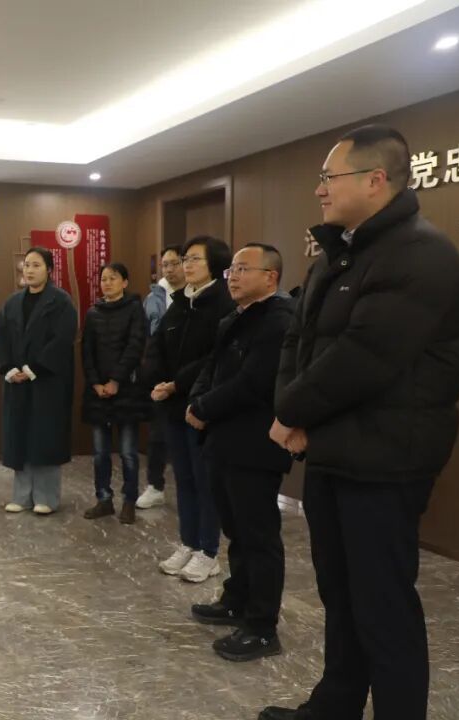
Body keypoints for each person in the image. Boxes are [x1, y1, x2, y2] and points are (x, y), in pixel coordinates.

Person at [262, 125, 459, 720]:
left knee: (382, 604)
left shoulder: (422, 254)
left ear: (376, 180)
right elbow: (298, 342)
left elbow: (366, 357)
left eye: (330, 177)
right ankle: (336, 704)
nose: (320, 189)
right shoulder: (338, 254)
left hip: (386, 459)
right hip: (332, 448)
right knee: (340, 594)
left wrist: (293, 413)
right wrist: (289, 410)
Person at [185, 244, 293, 662]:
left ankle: (262, 627)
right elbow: (211, 369)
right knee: (236, 529)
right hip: (223, 441)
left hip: (255, 445)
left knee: (258, 536)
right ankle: (237, 600)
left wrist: (203, 408)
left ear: (271, 276)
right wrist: (196, 401)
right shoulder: (234, 318)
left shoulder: (279, 321)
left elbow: (254, 383)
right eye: (232, 269)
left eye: (244, 269)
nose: (233, 276)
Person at [144, 235, 234, 583]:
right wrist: (157, 379)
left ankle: (208, 552)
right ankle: (188, 542)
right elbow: (157, 344)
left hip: (201, 405)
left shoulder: (223, 302)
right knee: (182, 478)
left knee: (204, 479)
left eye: (195, 259)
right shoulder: (181, 301)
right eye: (185, 259)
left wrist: (177, 383)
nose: (187, 265)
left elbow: (215, 356)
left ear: (215, 264)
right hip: (172, 404)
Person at [0, 247, 78, 515]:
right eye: (27, 265)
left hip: (47, 381)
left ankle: (46, 497)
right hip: (17, 382)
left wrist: (34, 368)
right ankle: (22, 496)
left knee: (44, 437)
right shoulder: (13, 302)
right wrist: (9, 368)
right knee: (20, 435)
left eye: (36, 265)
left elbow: (62, 339)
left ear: (49, 270)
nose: (29, 270)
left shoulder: (61, 301)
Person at [81, 263, 151, 524]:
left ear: (125, 282)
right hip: (98, 392)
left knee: (128, 452)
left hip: (126, 390)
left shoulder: (134, 309)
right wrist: (95, 383)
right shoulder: (93, 313)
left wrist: (115, 381)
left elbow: (135, 346)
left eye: (113, 278)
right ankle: (104, 499)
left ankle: (129, 501)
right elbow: (86, 351)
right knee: (100, 452)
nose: (107, 283)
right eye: (104, 279)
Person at [137, 245, 185, 509]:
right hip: (160, 375)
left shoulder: (195, 295)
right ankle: (155, 486)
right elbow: (146, 335)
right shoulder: (154, 297)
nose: (169, 269)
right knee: (157, 435)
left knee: (186, 436)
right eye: (165, 265)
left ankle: (191, 487)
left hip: (187, 375)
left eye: (175, 263)